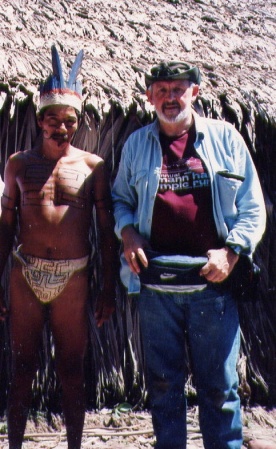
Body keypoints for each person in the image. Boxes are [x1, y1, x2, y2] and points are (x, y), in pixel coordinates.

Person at [112, 61, 266, 449]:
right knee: (163, 388)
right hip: (156, 286)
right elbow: (120, 201)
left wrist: (231, 254)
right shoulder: (136, 145)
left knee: (220, 390)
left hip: (212, 285)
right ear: (149, 96)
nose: (169, 98)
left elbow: (252, 207)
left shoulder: (226, 139)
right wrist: (128, 234)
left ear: (195, 93)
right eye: (160, 90)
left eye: (178, 90)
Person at [0, 45, 117, 449]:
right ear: (39, 120)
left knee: (71, 368)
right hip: (25, 273)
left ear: (78, 122)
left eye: (69, 121)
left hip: (74, 276)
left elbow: (105, 230)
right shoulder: (18, 164)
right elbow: (5, 227)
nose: (61, 129)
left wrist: (107, 288)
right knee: (22, 367)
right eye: (53, 120)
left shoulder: (92, 168)